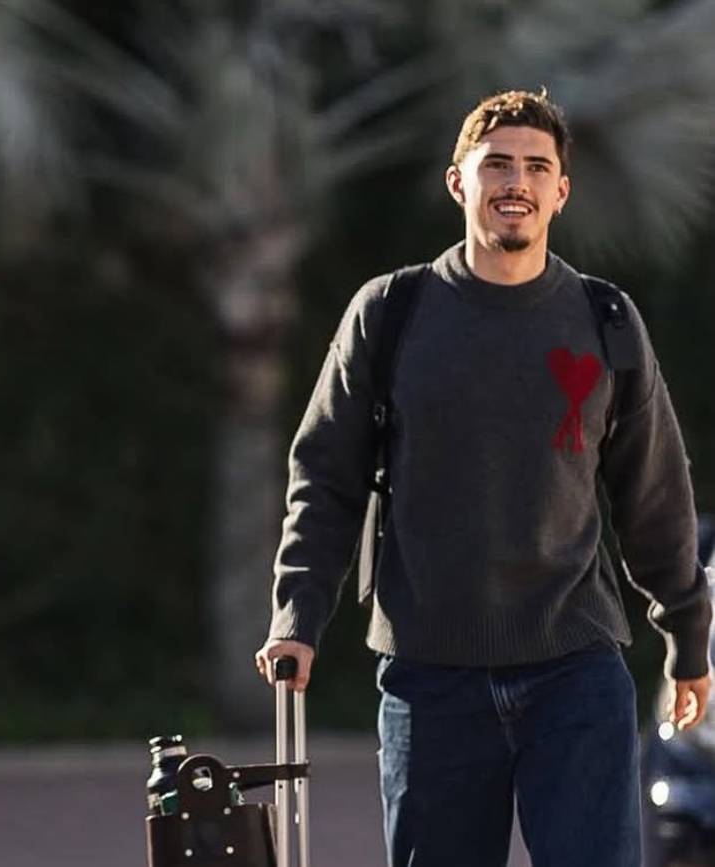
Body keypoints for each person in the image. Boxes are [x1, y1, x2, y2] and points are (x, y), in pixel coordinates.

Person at [254, 90, 712, 866]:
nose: (516, 182)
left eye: (536, 167)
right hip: (431, 676)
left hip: (575, 668)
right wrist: (297, 612)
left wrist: (688, 637)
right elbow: (326, 476)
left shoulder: (605, 320)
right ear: (458, 182)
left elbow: (655, 495)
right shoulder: (390, 313)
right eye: (497, 164)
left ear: (560, 191)